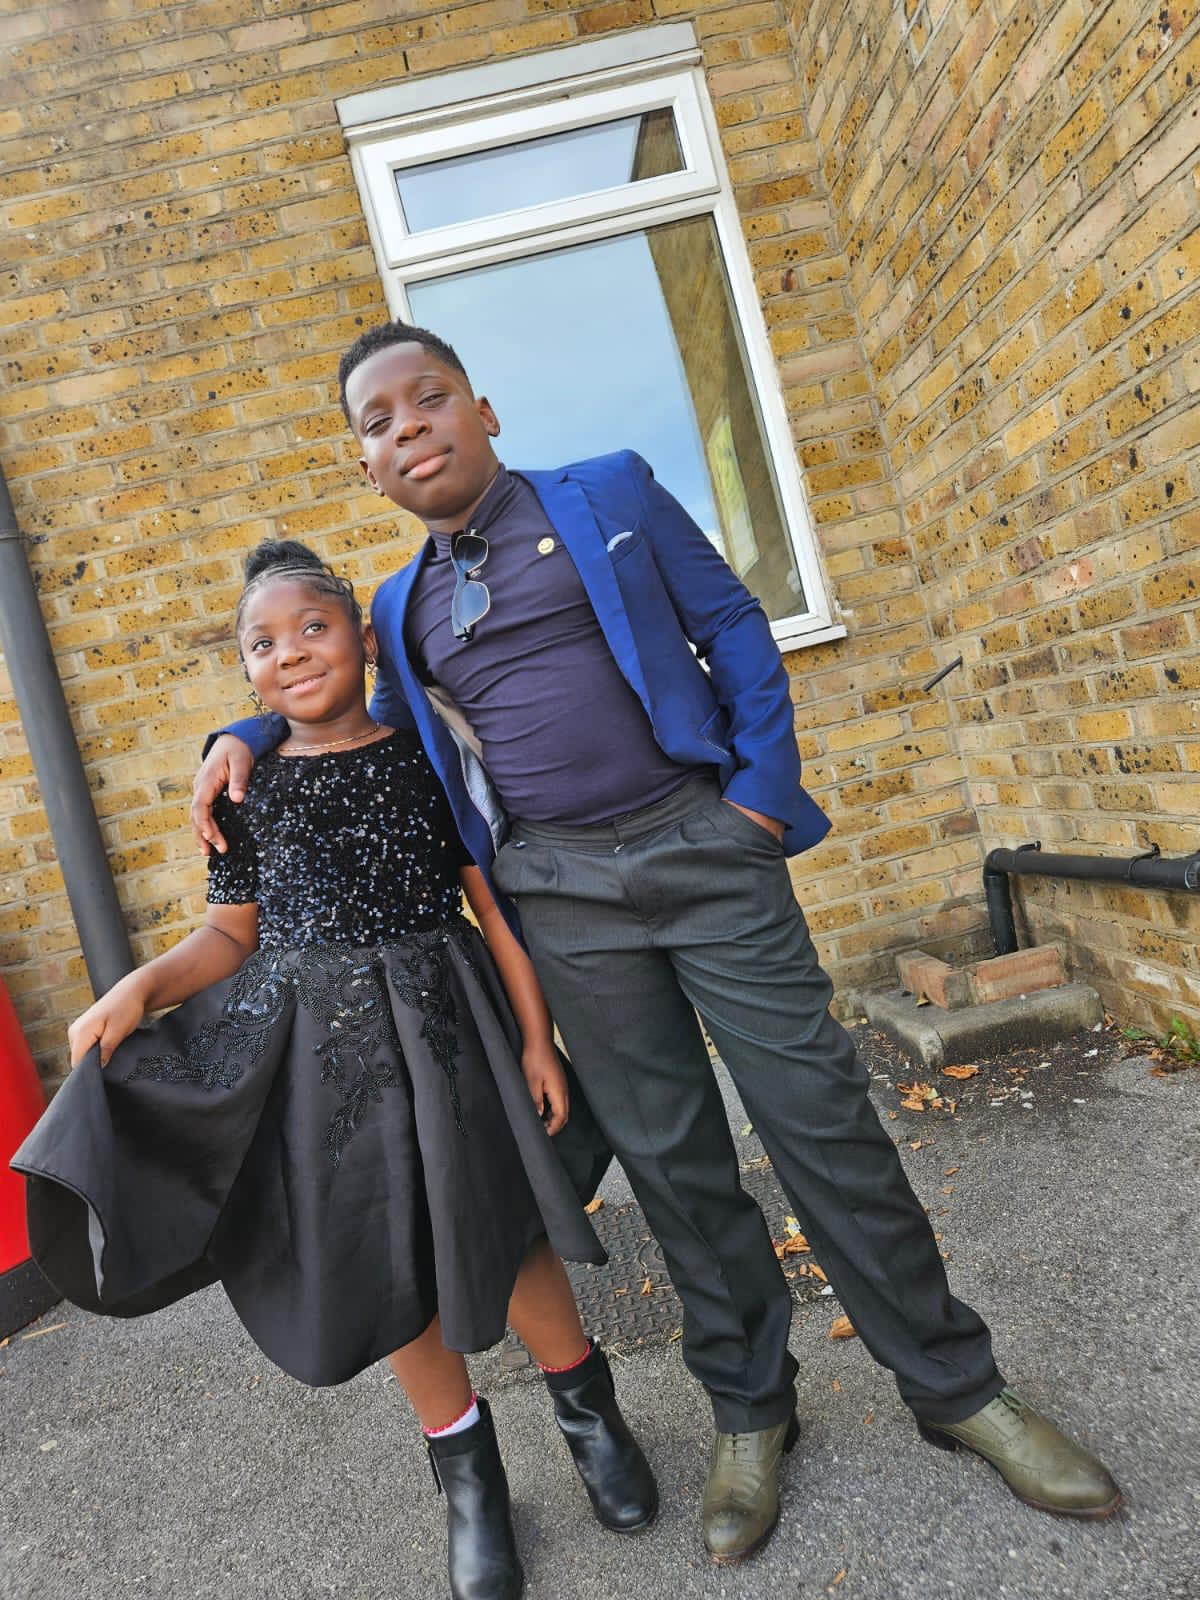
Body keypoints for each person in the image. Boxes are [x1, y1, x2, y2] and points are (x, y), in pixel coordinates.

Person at [192, 321, 1121, 1561]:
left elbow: (733, 622)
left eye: (429, 399)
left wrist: (757, 802)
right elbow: (350, 710)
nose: (408, 426)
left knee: (821, 1121)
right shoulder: (402, 607)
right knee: (673, 1161)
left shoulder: (611, 491)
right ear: (366, 468)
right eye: (379, 422)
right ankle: (752, 1408)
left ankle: (959, 1389)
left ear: (483, 410)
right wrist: (247, 729)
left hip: (703, 845)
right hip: (563, 895)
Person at [13, 539, 657, 1600]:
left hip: (450, 1026)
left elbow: (491, 909)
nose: (292, 653)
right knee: (386, 1252)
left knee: (506, 1228)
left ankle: (591, 1417)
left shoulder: (423, 757)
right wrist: (139, 987)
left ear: (362, 639)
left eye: (314, 627)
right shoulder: (243, 786)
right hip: (326, 1060)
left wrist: (538, 1040)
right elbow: (228, 937)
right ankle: (470, 1481)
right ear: (246, 671)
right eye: (262, 644)